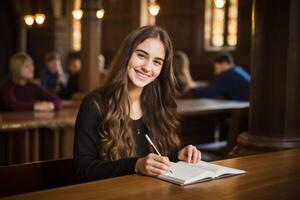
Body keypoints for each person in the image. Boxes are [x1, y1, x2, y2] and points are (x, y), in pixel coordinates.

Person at [73, 25, 201, 181]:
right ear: (126, 55)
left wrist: (177, 155)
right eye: (141, 55)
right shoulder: (94, 104)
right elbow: (83, 168)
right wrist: (136, 165)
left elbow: (160, 155)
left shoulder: (160, 104)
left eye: (157, 62)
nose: (147, 67)